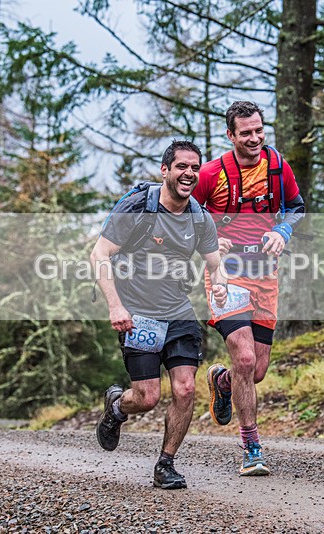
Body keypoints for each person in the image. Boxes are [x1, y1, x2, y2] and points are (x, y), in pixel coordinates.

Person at [91, 140, 228, 490]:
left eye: (195, 167)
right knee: (147, 397)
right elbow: (99, 255)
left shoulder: (199, 217)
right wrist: (115, 305)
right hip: (138, 314)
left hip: (179, 313)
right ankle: (117, 407)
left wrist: (221, 286)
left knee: (184, 389)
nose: (189, 173)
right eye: (182, 166)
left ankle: (165, 463)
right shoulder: (139, 206)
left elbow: (215, 263)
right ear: (165, 170)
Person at [192, 101, 305, 476]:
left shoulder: (277, 166)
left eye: (259, 130)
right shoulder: (212, 174)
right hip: (226, 273)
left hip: (265, 273)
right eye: (246, 133)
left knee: (255, 371)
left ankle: (221, 382)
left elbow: (297, 206)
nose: (255, 138)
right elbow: (183, 215)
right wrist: (209, 241)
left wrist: (282, 230)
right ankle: (251, 448)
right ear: (231, 135)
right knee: (243, 358)